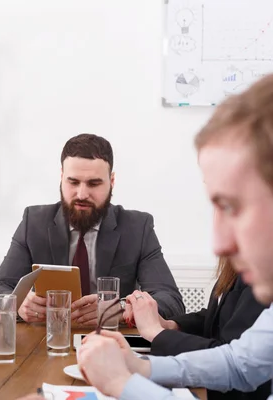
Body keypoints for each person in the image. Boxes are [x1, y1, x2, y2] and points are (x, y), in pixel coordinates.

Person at [76, 73, 273, 399]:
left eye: (233, 207)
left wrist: (122, 384)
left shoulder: (137, 225)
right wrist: (140, 368)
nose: (219, 244)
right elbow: (240, 364)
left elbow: (168, 298)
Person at [0, 133, 184, 325]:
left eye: (94, 183)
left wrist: (122, 309)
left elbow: (170, 300)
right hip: (47, 340)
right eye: (73, 182)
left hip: (112, 342)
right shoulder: (34, 223)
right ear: (62, 177)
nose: (82, 194)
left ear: (111, 182)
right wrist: (17, 304)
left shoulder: (138, 227)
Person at [127, 257, 269, 399]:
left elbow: (231, 359)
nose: (219, 246)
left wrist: (158, 333)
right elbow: (218, 318)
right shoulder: (238, 264)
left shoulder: (263, 276)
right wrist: (171, 325)